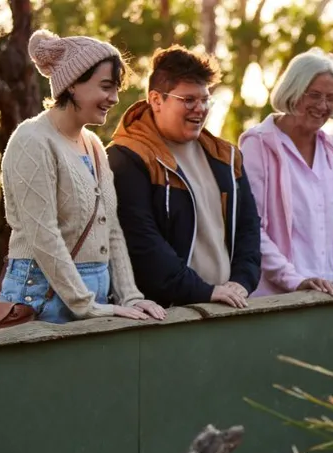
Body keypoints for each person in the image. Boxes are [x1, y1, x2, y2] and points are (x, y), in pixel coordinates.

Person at [0, 29, 166, 324]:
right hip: (40, 294)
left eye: (116, 88)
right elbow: (43, 236)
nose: (114, 98)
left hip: (91, 295)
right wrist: (86, 304)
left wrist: (130, 296)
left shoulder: (95, 146)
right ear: (73, 84)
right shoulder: (32, 140)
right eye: (105, 87)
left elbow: (111, 229)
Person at [107, 46, 261, 308]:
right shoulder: (127, 157)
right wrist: (202, 291)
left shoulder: (227, 157)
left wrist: (242, 280)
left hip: (226, 306)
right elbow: (142, 242)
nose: (199, 109)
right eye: (188, 100)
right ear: (156, 100)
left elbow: (249, 226)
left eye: (205, 99)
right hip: (164, 316)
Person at [238, 49, 333, 297]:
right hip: (276, 298)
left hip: (328, 295)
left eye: (332, 98)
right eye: (315, 95)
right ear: (293, 91)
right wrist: (295, 280)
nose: (323, 106)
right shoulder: (258, 144)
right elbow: (252, 229)